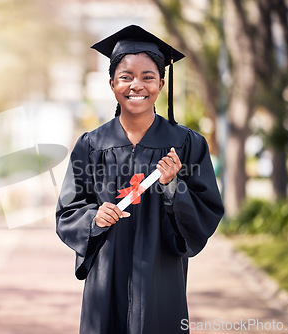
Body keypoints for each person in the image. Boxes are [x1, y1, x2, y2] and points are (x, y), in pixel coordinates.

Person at [56, 25, 224, 333]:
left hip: (161, 276)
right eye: (126, 76)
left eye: (148, 76)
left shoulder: (187, 144)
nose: (137, 85)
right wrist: (94, 217)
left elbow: (207, 210)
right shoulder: (90, 145)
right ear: (111, 83)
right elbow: (68, 209)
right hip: (106, 278)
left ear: (161, 83)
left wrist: (174, 186)